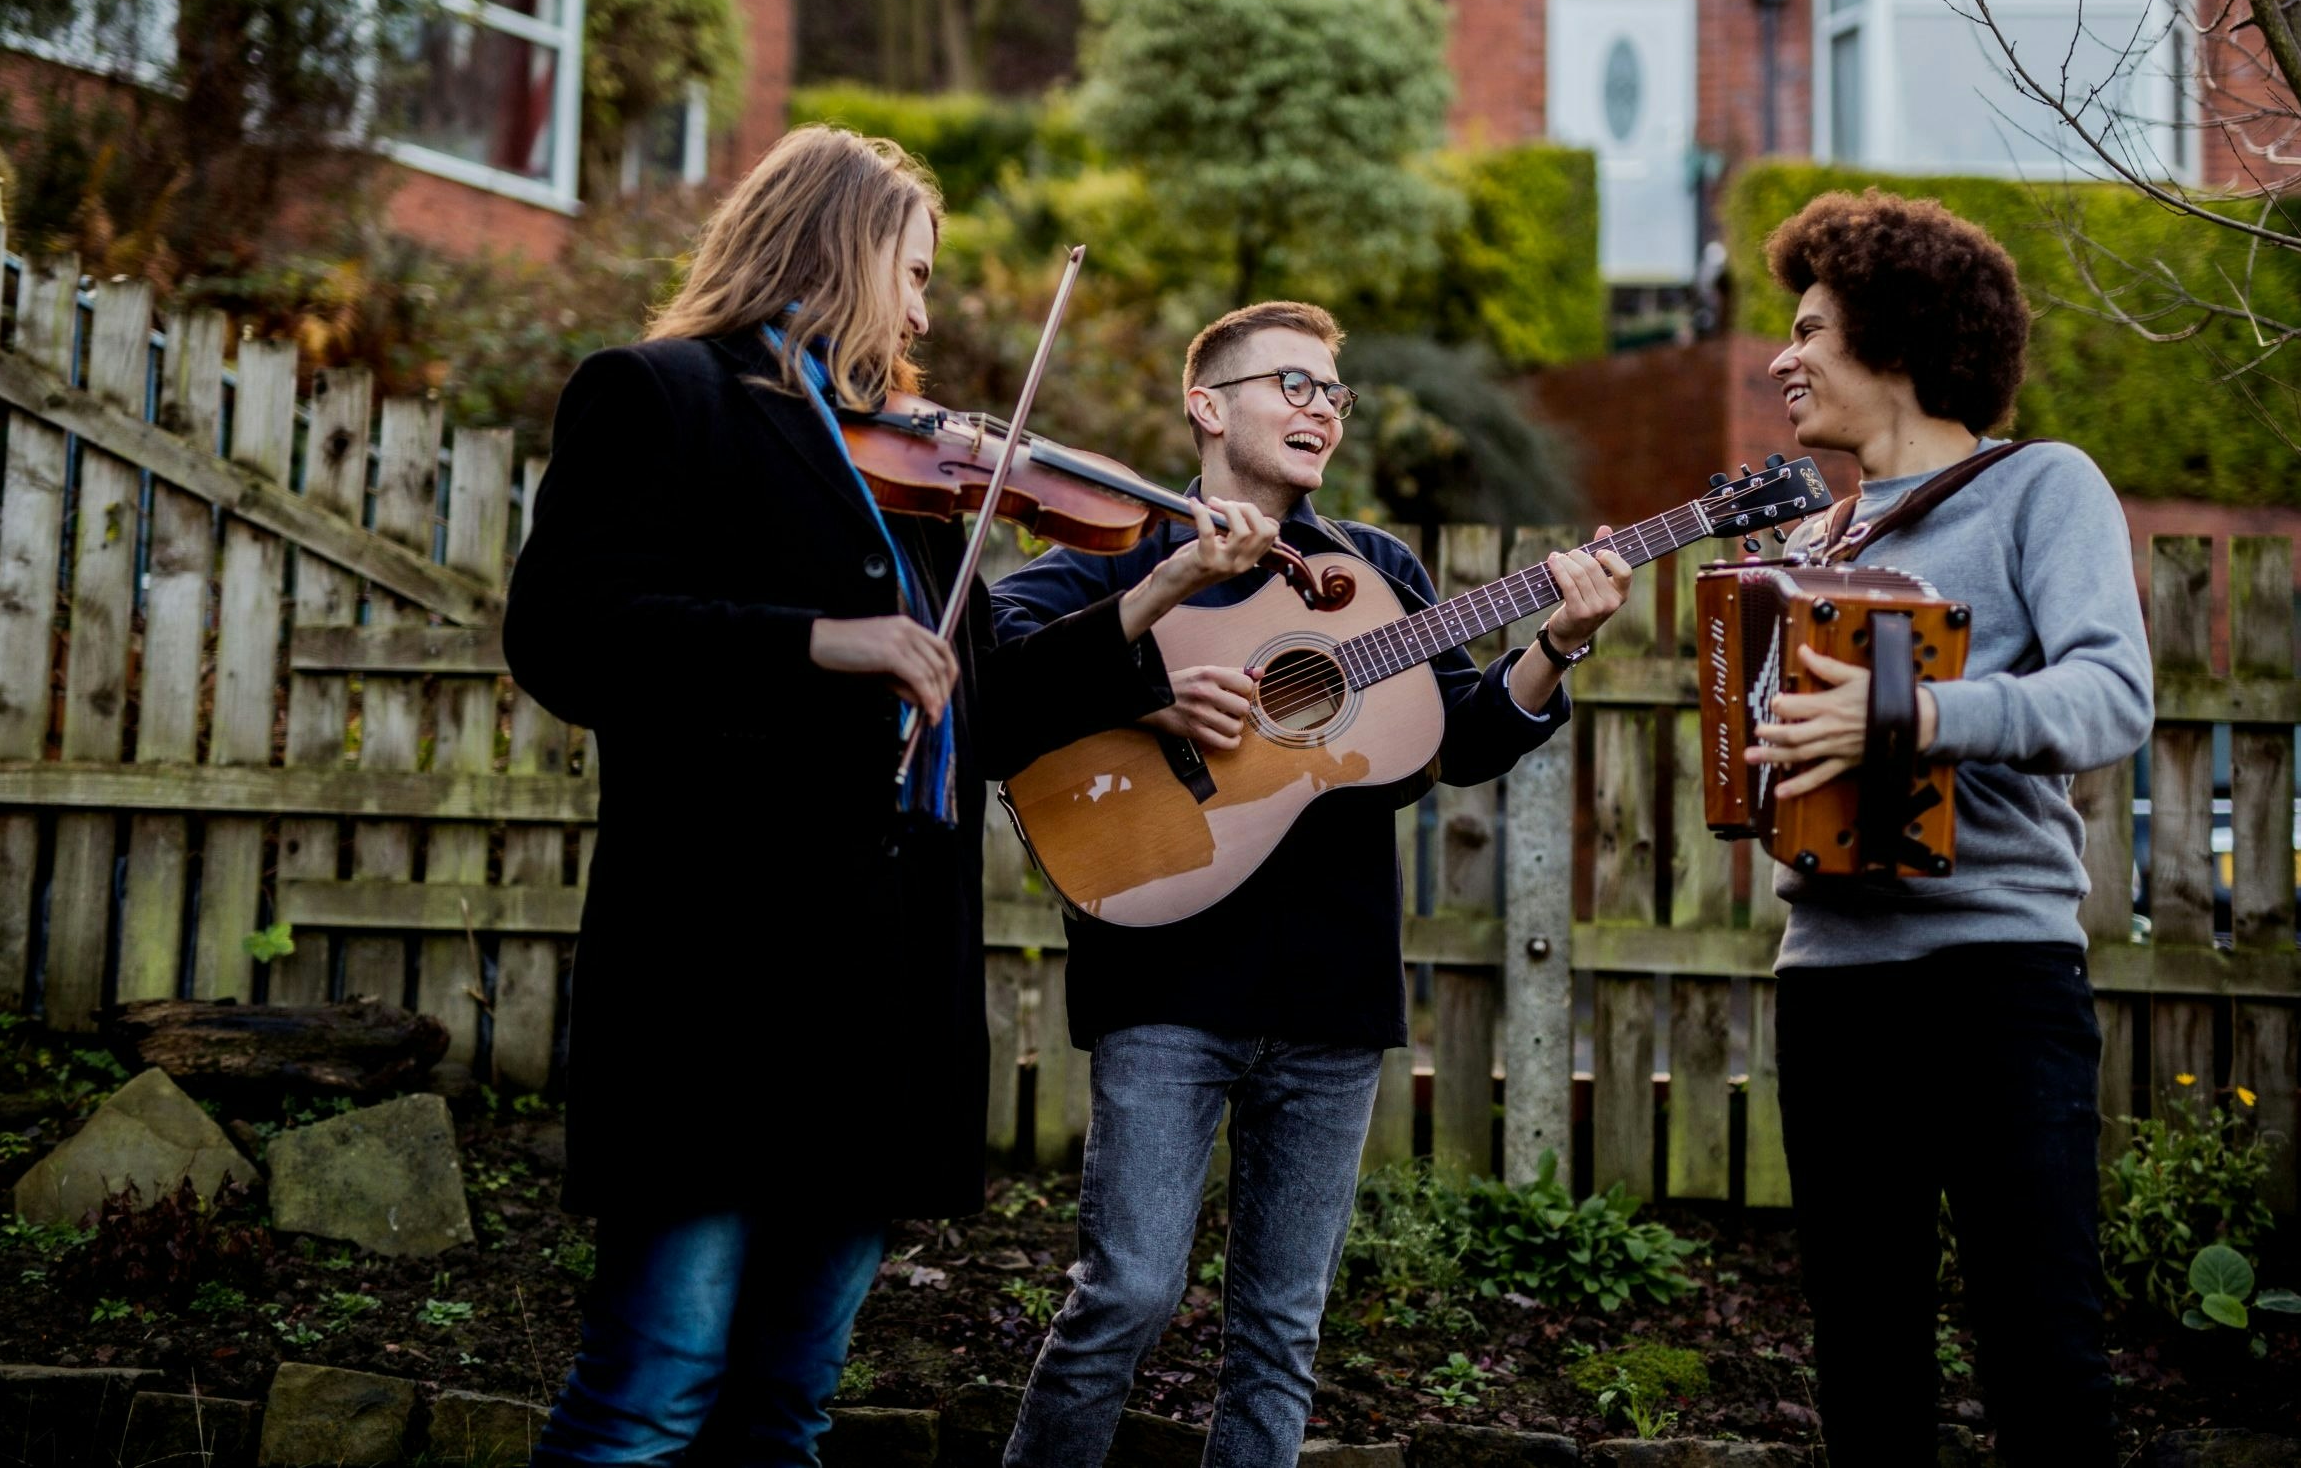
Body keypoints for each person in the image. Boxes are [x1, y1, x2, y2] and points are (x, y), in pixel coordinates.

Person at [502, 125, 1279, 1468]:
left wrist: (1150, 596)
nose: (923, 309)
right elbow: (566, 633)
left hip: (884, 985)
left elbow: (987, 711)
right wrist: (818, 639)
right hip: (721, 964)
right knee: (650, 1397)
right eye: (912, 272)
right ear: (835, 246)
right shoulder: (656, 394)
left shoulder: (916, 483)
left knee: (787, 1410)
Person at [989, 300, 1632, 1468]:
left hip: (1331, 995)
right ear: (1207, 404)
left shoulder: (1372, 573)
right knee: (1125, 1296)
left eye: (1332, 393)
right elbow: (1005, 683)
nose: (1320, 410)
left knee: (1280, 1332)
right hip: (1165, 976)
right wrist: (1146, 689)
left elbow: (1465, 736)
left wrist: (1556, 643)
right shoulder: (1108, 555)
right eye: (1292, 385)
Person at [1746, 190, 2153, 1467]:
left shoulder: (2044, 486)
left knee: (2041, 1352)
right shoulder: (1810, 542)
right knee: (1864, 1362)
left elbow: (2112, 695)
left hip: (1997, 975)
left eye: (1811, 329)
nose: (1781, 357)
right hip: (1830, 985)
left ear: (1899, 340)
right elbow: (1772, 757)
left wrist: (1908, 715)